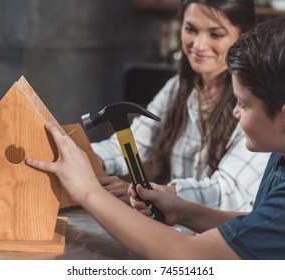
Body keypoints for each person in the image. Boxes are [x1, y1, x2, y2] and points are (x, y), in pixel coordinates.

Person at [27, 12, 285, 259]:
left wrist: (86, 191)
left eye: (243, 104)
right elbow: (257, 230)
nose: (234, 112)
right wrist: (185, 211)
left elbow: (185, 256)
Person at [92, 0, 269, 214]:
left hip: (223, 242)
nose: (199, 45)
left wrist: (157, 193)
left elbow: (227, 192)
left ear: (243, 35)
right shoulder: (177, 88)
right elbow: (134, 143)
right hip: (175, 232)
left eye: (216, 34)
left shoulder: (255, 101)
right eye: (190, 29)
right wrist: (84, 157)